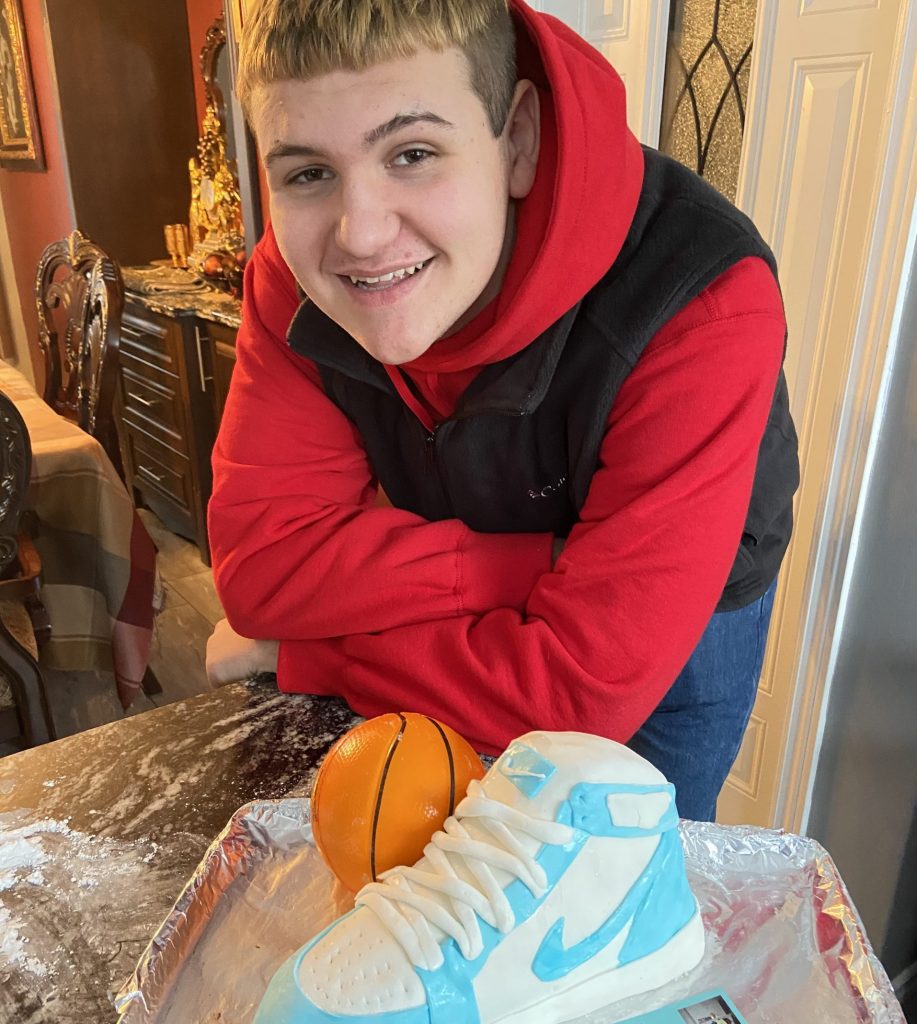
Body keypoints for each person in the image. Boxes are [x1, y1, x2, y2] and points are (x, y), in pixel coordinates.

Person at [205, 0, 799, 822]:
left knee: (625, 876)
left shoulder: (701, 303)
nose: (362, 234)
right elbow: (264, 570)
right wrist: (538, 566)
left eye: (412, 153)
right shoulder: (291, 278)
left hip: (688, 610)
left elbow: (577, 702)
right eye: (307, 172)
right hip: (503, 569)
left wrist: (307, 649)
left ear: (515, 139)